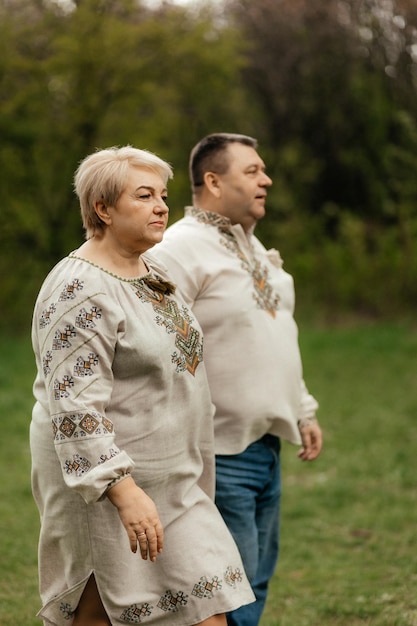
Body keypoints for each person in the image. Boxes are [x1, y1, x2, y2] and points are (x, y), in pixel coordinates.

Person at [30, 145, 255, 626]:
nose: (162, 207)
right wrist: (120, 489)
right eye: (145, 195)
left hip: (176, 484)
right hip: (109, 492)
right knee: (97, 616)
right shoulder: (77, 289)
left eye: (164, 196)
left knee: (207, 611)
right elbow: (72, 406)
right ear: (103, 209)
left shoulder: (154, 271)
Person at [149, 133, 323, 626]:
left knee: (257, 578)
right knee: (228, 594)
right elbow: (151, 343)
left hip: (267, 445)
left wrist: (303, 409)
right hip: (219, 450)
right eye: (252, 171)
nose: (266, 180)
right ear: (212, 181)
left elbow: (275, 336)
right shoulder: (179, 250)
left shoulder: (252, 246)